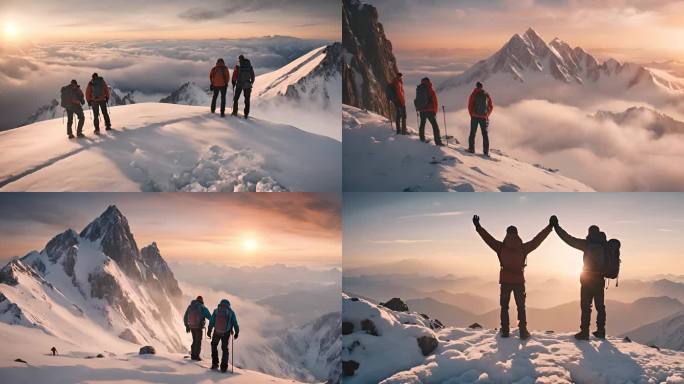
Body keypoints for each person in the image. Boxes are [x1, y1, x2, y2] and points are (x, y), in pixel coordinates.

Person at [472, 215, 553, 339]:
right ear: (517, 234)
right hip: (519, 282)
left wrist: (478, 226)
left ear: (506, 234)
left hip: (505, 282)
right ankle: (523, 331)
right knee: (521, 306)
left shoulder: (500, 247)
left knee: (504, 306)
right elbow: (538, 240)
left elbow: (487, 238)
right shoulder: (523, 248)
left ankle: (505, 331)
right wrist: (549, 227)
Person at [552, 216, 610, 340]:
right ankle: (601, 331)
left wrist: (556, 227)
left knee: (585, 306)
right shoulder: (605, 245)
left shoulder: (586, 244)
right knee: (600, 306)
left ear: (589, 233)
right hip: (600, 280)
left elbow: (568, 239)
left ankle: (584, 332)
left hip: (587, 280)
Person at [207, 299, 239, 373]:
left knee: (214, 345)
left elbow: (211, 321)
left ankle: (215, 363)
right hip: (226, 333)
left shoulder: (216, 311)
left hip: (217, 332)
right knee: (224, 349)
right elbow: (235, 323)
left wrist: (209, 330)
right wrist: (236, 332)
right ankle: (223, 366)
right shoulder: (231, 312)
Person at [414, 77, 443, 146]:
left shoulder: (419, 89)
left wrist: (418, 108)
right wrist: (435, 111)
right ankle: (438, 142)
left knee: (422, 124)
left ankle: (422, 138)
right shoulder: (430, 89)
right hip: (430, 110)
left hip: (422, 110)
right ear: (428, 81)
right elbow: (434, 101)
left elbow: (417, 100)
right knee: (435, 126)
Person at [467, 81, 494, 156]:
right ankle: (486, 152)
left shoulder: (474, 94)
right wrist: (487, 115)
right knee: (485, 134)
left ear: (476, 86)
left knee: (472, 133)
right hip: (483, 117)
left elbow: (470, 105)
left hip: (474, 116)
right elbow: (491, 106)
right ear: (482, 87)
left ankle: (471, 149)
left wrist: (472, 115)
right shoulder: (486, 94)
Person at [183, 296, 211, 360]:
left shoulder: (190, 307)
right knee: (198, 341)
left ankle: (193, 355)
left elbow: (185, 317)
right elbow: (210, 317)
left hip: (192, 327)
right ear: (201, 300)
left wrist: (187, 326)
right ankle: (196, 356)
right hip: (198, 327)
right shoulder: (202, 307)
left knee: (194, 340)